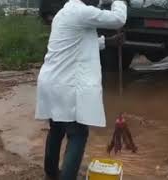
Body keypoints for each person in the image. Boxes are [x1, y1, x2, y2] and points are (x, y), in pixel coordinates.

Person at [35, 0, 127, 179]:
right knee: (78, 134)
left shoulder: (64, 13)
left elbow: (81, 41)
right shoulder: (81, 12)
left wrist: (109, 42)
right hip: (66, 86)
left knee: (57, 129)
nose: (98, 3)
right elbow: (118, 19)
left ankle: (51, 174)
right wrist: (119, 2)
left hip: (51, 83)